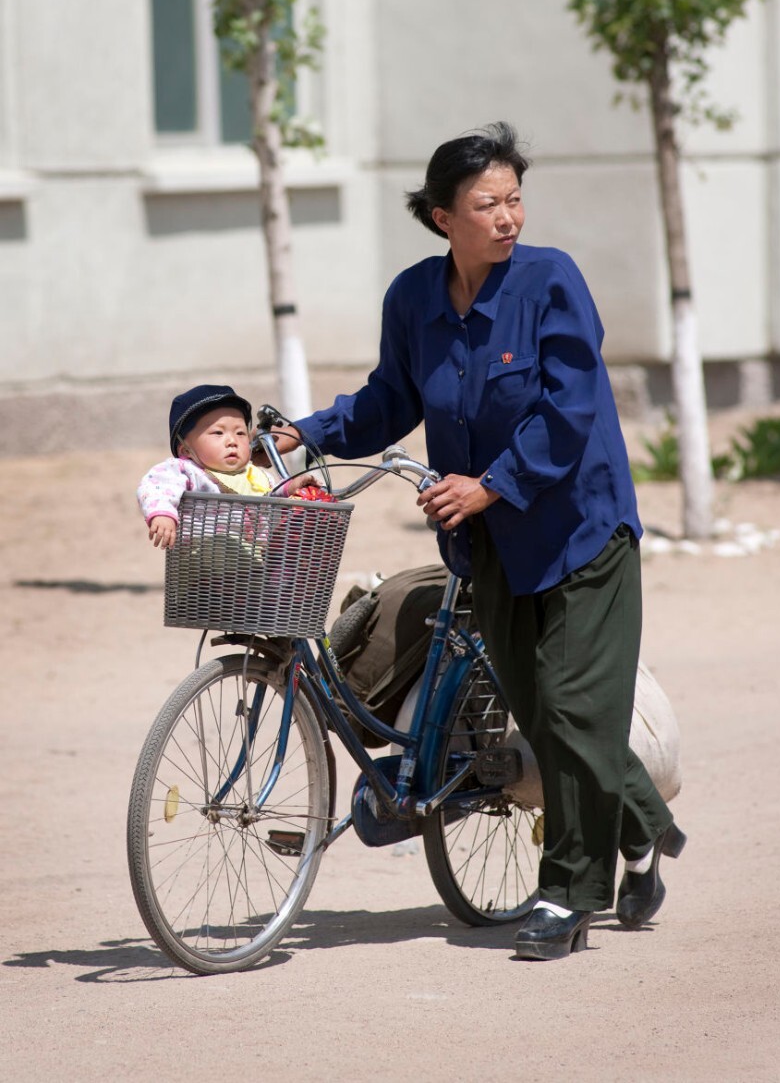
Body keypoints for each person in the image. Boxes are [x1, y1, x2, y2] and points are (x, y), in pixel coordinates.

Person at [270, 122, 686, 960]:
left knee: (571, 706)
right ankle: (644, 836)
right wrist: (305, 435)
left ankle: (568, 894)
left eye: (515, 199)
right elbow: (390, 398)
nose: (508, 217)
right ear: (440, 218)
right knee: (540, 709)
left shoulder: (550, 282)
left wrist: (491, 482)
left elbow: (568, 410)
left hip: (580, 532)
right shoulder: (415, 300)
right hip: (488, 544)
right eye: (486, 203)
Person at [137, 383, 312, 548]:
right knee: (220, 547)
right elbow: (156, 486)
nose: (232, 441)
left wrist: (291, 488)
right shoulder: (186, 471)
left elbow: (271, 496)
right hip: (201, 559)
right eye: (218, 433)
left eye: (241, 433)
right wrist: (163, 513)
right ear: (186, 450)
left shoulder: (255, 475)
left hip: (254, 564)